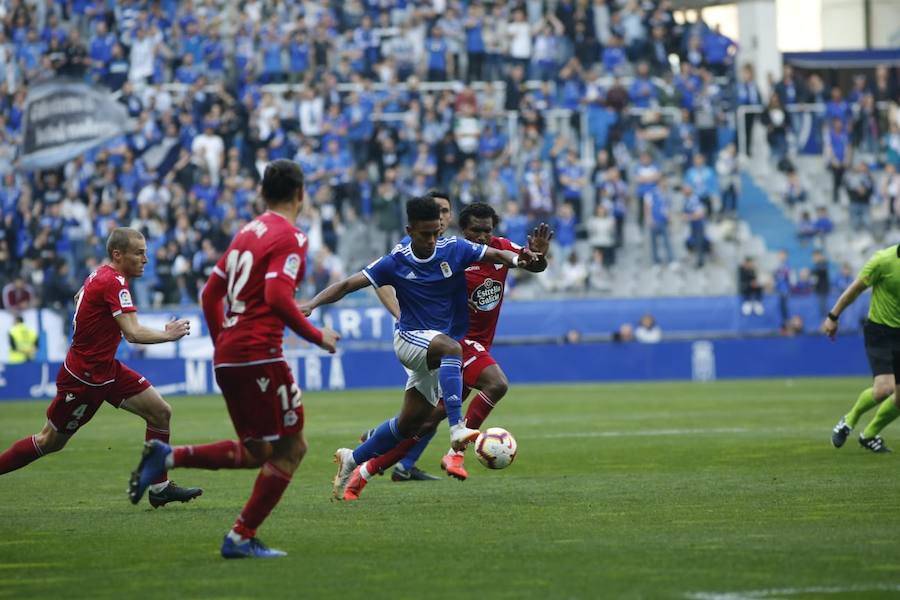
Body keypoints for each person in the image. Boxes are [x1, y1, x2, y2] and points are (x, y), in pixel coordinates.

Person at [128, 160, 340, 559]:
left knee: (258, 451)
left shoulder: (247, 232)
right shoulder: (291, 236)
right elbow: (278, 296)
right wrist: (317, 336)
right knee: (292, 449)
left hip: (230, 355)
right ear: (300, 194)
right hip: (260, 354)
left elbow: (210, 293)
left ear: (262, 193)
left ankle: (168, 456)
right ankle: (240, 537)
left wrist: (223, 338)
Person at [300, 197, 538, 501]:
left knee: (411, 424)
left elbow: (496, 253)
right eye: (424, 234)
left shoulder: (452, 248)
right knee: (455, 351)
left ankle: (355, 460)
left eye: (435, 233)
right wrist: (311, 303)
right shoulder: (396, 260)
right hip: (411, 339)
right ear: (409, 230)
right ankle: (457, 431)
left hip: (435, 349)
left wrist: (522, 260)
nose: (431, 240)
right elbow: (348, 284)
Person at [0, 228, 201, 508]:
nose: (146, 259)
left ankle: (159, 487)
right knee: (50, 441)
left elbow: (78, 299)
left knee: (160, 412)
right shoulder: (115, 282)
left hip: (106, 369)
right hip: (84, 379)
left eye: (145, 252)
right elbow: (132, 333)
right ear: (118, 255)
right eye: (139, 253)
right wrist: (168, 334)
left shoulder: (101, 275)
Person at [828, 244, 900, 453]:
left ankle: (869, 435)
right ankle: (849, 419)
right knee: (884, 389)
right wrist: (833, 316)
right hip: (880, 331)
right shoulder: (883, 260)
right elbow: (856, 288)